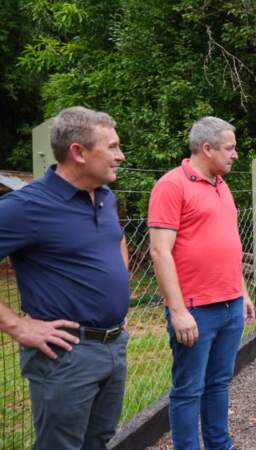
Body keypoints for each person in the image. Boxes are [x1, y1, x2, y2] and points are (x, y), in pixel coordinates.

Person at [0, 106, 130, 449]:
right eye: (112, 147)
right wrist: (18, 326)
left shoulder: (104, 196)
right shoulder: (26, 207)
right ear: (78, 152)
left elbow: (117, 239)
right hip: (67, 354)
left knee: (98, 440)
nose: (121, 155)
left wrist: (120, 289)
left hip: (114, 344)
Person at [149, 116, 255, 450]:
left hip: (230, 304)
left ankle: (219, 444)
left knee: (219, 383)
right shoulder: (172, 185)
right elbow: (159, 251)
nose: (235, 154)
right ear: (206, 148)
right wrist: (178, 311)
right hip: (195, 309)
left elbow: (230, 242)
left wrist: (242, 290)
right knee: (188, 389)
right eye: (230, 148)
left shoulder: (221, 185)